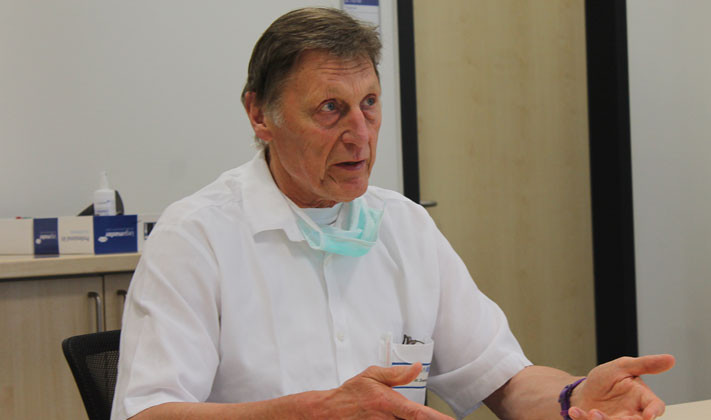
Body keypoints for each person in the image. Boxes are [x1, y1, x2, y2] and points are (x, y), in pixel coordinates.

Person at [111, 7, 674, 420]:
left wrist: (573, 398)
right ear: (260, 114)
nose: (360, 134)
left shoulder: (403, 226)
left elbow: (501, 377)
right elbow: (147, 413)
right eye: (330, 108)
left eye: (370, 103)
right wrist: (313, 412)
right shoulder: (197, 237)